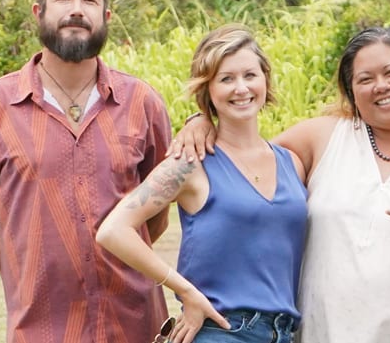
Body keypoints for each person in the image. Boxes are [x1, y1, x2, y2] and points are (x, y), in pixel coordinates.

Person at [174, 26, 390, 342]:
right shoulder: (322, 137)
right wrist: (203, 119)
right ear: (351, 90)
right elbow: (240, 176)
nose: (380, 85)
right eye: (365, 79)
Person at [0, 0, 173, 343]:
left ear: (106, 17)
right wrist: (31, 273)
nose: (77, 10)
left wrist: (115, 256)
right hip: (41, 330)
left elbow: (156, 214)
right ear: (38, 12)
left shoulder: (143, 104)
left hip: (136, 325)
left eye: (89, 0)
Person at [97, 24, 308, 343]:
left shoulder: (292, 163)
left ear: (265, 79)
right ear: (207, 90)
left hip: (285, 332)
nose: (241, 88)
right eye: (226, 79)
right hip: (222, 331)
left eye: (250, 75)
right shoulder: (190, 163)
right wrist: (184, 290)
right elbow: (114, 230)